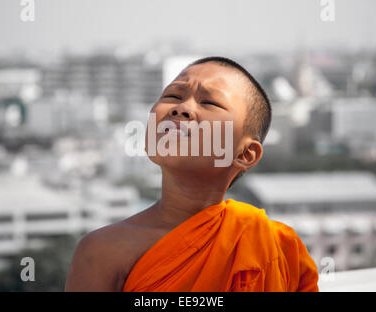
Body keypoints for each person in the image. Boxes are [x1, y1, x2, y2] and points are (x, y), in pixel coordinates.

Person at [65, 56, 319, 292]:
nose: (182, 108)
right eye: (173, 95)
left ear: (245, 154)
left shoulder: (277, 248)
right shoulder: (103, 250)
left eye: (209, 102)